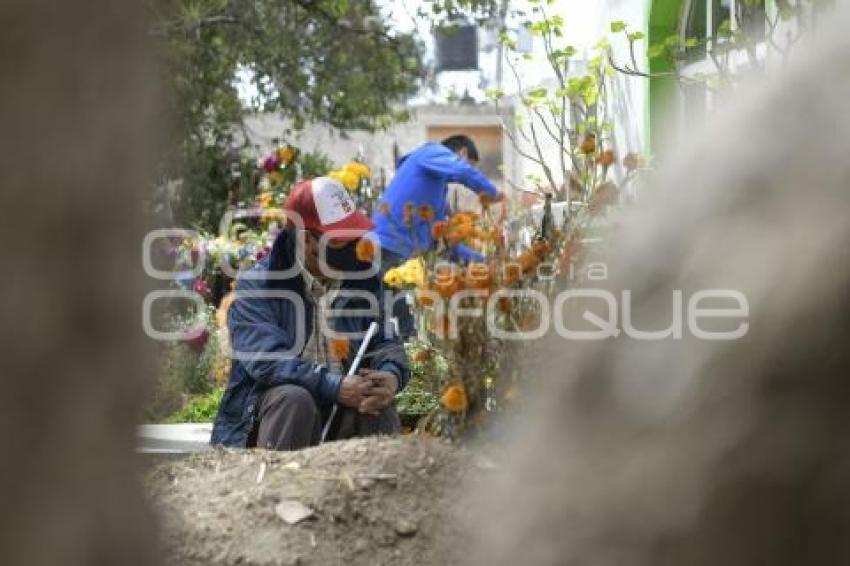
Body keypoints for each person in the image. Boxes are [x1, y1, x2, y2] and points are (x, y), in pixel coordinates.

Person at [211, 177, 409, 450]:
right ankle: (276, 488)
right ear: (306, 240)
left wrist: (391, 375)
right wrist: (334, 386)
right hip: (275, 418)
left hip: (342, 411)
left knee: (376, 409)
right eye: (341, 242)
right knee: (295, 400)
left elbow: (387, 340)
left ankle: (381, 490)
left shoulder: (363, 279)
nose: (353, 250)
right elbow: (268, 361)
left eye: (355, 237)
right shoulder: (258, 285)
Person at [370, 134, 505, 335]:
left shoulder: (434, 189)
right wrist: (492, 194)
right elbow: (462, 170)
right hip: (388, 246)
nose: (470, 171)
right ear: (462, 153)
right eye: (471, 164)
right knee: (399, 322)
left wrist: (482, 261)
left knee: (398, 321)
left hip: (396, 251)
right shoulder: (430, 151)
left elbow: (443, 243)